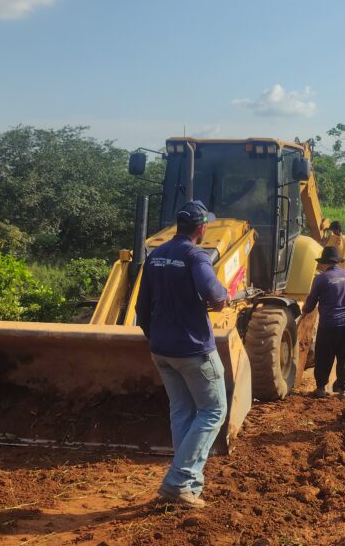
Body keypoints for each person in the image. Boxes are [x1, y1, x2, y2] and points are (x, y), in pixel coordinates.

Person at [135, 199, 229, 509]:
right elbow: (214, 293)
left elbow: (141, 308)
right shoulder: (195, 255)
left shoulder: (156, 255)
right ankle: (177, 481)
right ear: (202, 228)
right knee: (214, 411)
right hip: (193, 351)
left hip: (162, 350)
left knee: (182, 412)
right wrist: (223, 296)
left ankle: (189, 486)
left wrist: (156, 338)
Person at [302, 245, 345, 400]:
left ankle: (320, 388)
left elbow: (310, 304)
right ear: (337, 262)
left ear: (324, 263)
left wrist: (304, 312)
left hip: (329, 325)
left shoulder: (321, 279)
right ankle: (344, 390)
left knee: (324, 357)